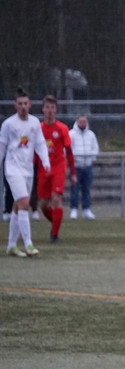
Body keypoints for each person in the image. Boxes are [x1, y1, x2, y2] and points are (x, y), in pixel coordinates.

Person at [0, 87, 50, 258]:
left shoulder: (35, 123)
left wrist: (45, 161)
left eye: (25, 104)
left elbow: (40, 143)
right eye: (20, 104)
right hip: (13, 169)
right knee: (24, 203)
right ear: (15, 105)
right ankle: (28, 244)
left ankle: (11, 246)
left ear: (30, 105)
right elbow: (2, 147)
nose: (23, 107)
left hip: (28, 170)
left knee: (18, 206)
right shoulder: (8, 124)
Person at [37, 95, 76, 243]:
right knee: (43, 205)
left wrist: (73, 173)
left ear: (56, 110)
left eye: (52, 108)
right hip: (43, 168)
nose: (49, 110)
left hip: (58, 167)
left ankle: (54, 235)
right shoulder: (38, 128)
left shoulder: (62, 128)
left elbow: (69, 151)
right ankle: (56, 222)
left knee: (56, 198)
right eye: (47, 107)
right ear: (43, 109)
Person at [69, 114, 99, 220]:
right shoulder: (71, 134)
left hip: (87, 166)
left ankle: (86, 209)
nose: (82, 123)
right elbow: (68, 149)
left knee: (87, 189)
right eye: (81, 121)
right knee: (74, 189)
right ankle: (74, 209)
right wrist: (74, 160)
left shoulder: (91, 135)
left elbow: (95, 148)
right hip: (76, 167)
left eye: (84, 121)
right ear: (77, 122)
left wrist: (91, 159)